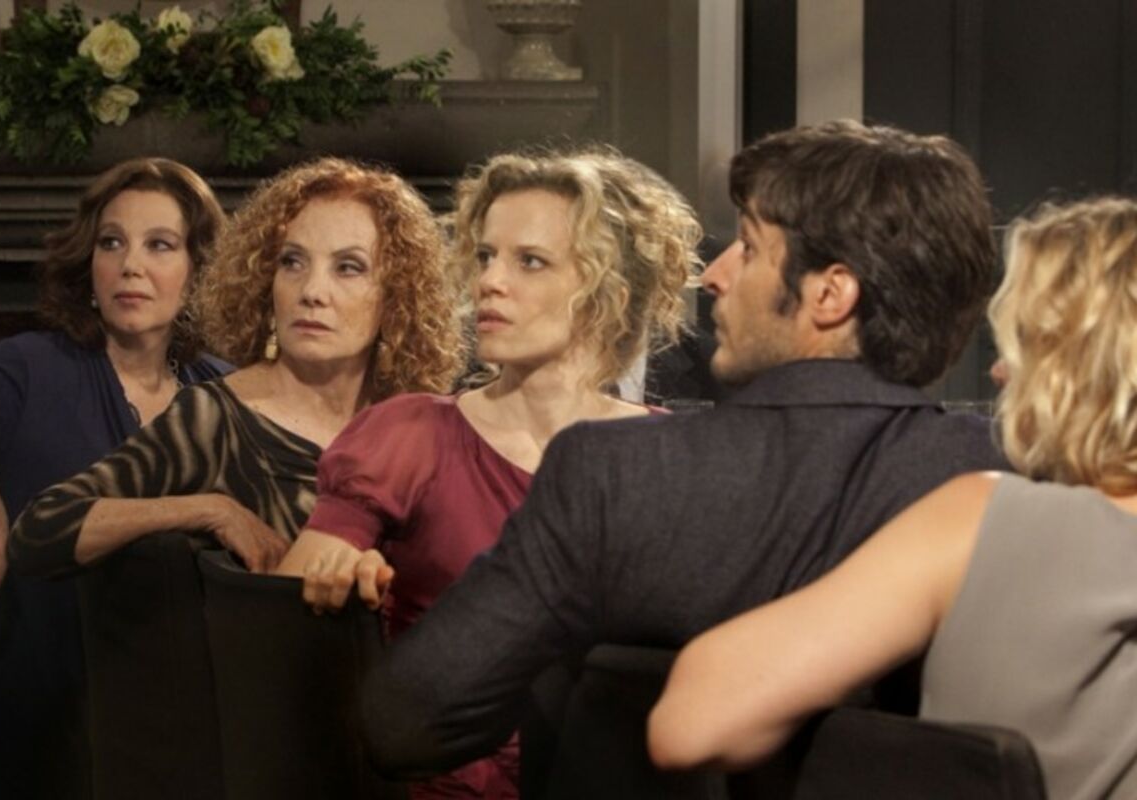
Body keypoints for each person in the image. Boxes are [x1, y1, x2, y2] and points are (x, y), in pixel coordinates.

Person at [350, 120, 1011, 784]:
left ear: (829, 295)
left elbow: (406, 722)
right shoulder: (1010, 483)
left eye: (748, 247)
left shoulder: (614, 475)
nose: (715, 275)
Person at [649, 196, 1137, 799]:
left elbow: (691, 722)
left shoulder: (991, 521)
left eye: (1021, 344)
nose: (999, 374)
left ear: (1078, 365)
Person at [8, 157, 463, 795]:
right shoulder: (216, 416)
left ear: (397, 296)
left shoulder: (424, 425)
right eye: (292, 262)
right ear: (264, 280)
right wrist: (210, 509)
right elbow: (38, 532)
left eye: (348, 267)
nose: (311, 291)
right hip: (287, 758)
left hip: (426, 741)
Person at [273, 148, 701, 799]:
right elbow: (277, 619)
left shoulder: (669, 457)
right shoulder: (412, 435)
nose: (489, 283)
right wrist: (342, 586)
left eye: (529, 261)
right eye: (485, 256)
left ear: (607, 291)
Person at [0, 157, 228, 800]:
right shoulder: (28, 370)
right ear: (88, 265)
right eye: (112, 242)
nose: (131, 266)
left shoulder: (225, 392)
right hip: (36, 718)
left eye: (160, 245)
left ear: (199, 269)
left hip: (179, 724)